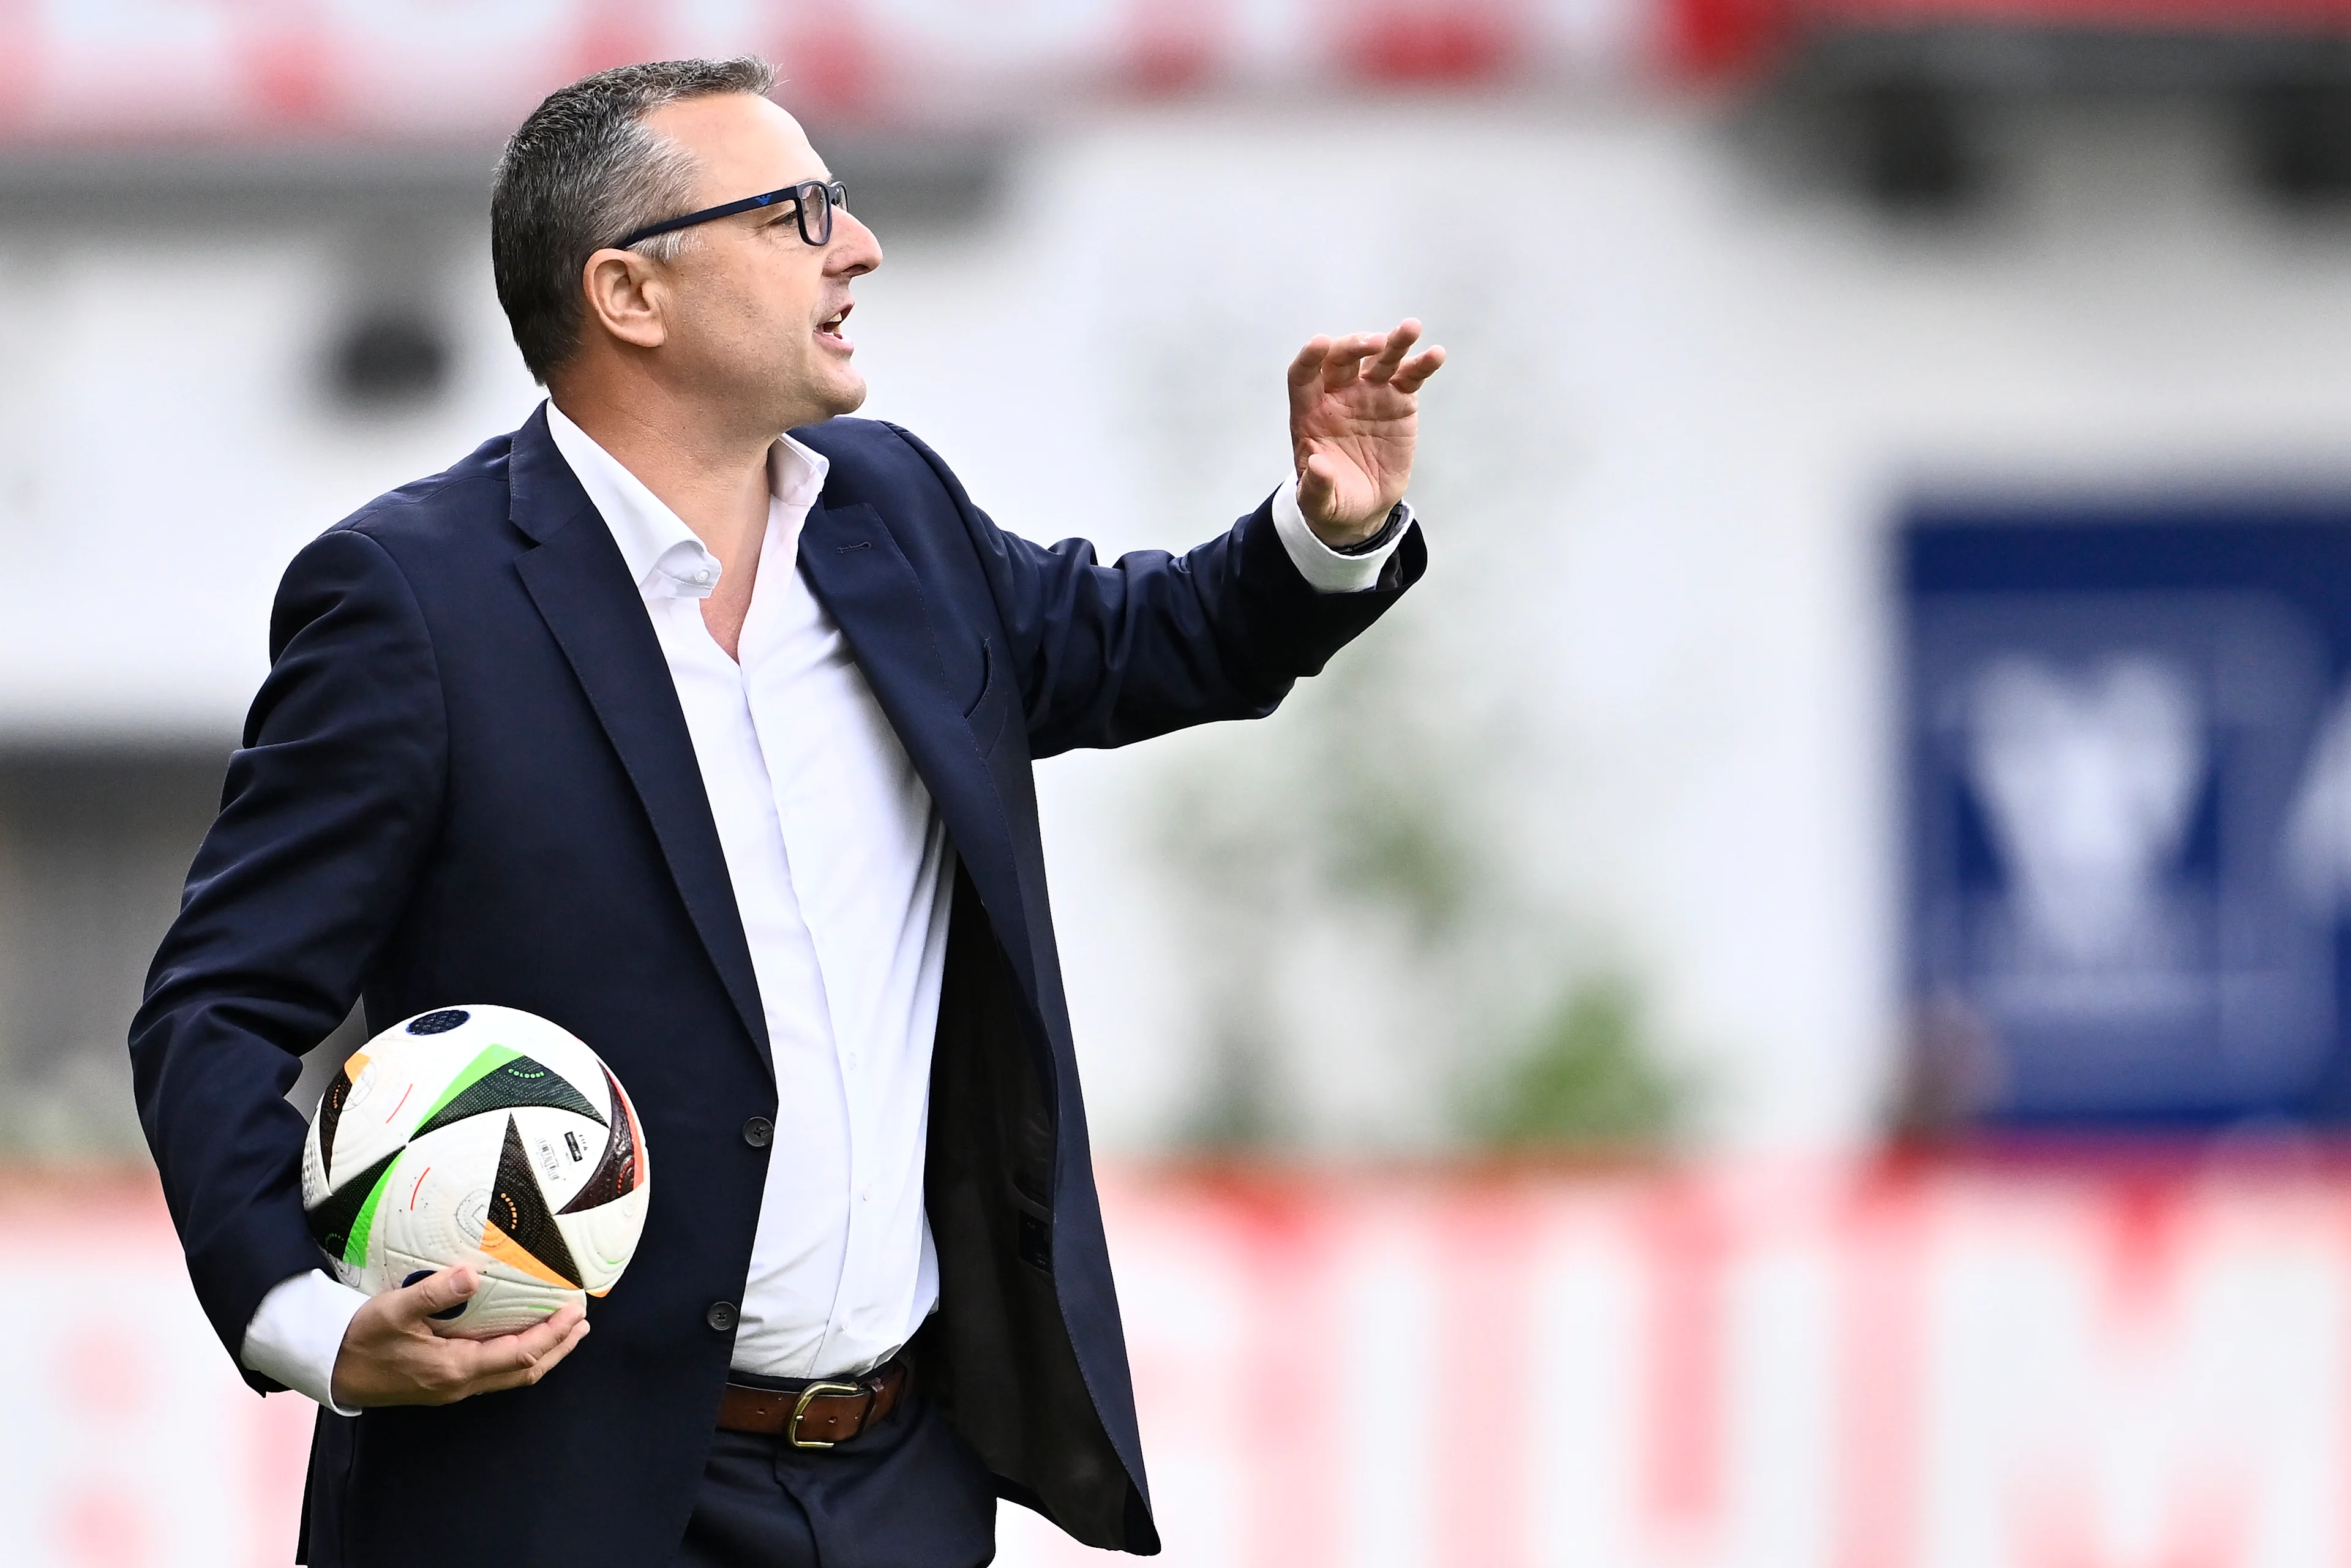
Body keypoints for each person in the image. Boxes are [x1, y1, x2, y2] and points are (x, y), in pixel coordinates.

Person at [132, 56, 1441, 1568]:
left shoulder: (895, 513)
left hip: (899, 1481)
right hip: (554, 1491)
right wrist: (308, 1319)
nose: (859, 244)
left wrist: (1323, 532)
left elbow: (1141, 641)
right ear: (632, 293)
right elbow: (215, 1009)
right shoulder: (412, 600)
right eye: (799, 211)